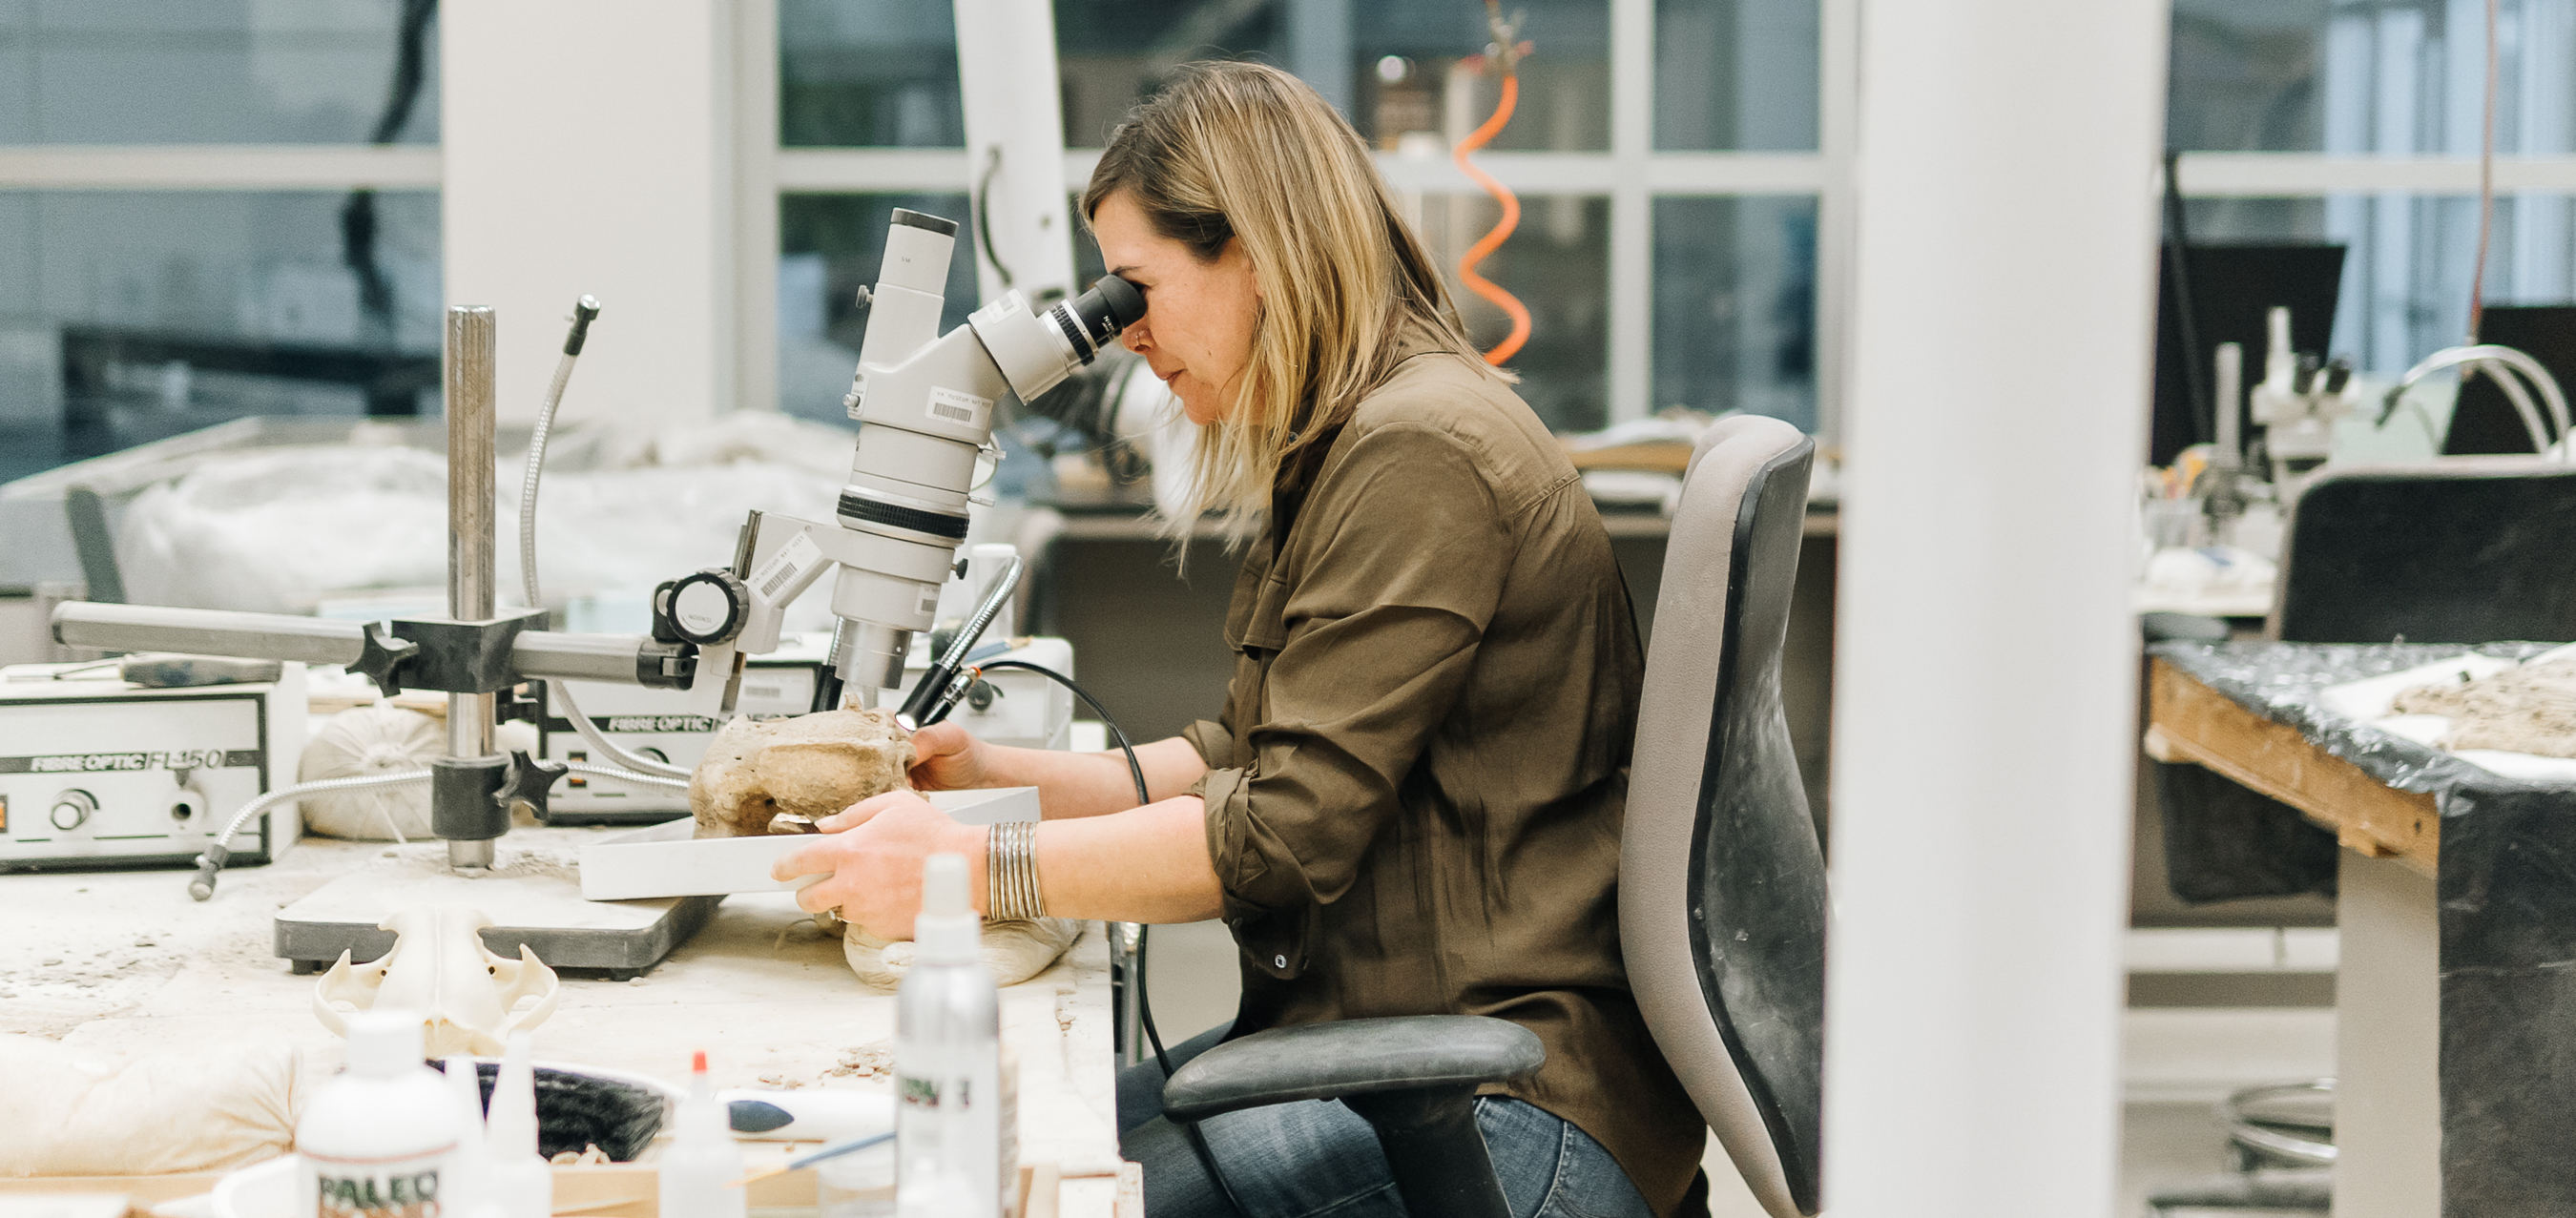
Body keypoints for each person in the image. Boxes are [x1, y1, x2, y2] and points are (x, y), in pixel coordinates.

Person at [776, 60, 1705, 1218]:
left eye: (1136, 289)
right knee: (1011, 1139)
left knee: (1007, 1194)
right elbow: (1251, 751)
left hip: (1503, 1109)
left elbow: (1281, 832)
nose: (1120, 336)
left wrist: (957, 872)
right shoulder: (1361, 431)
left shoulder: (1421, 451)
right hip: (1407, 1053)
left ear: (1257, 249)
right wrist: (998, 778)